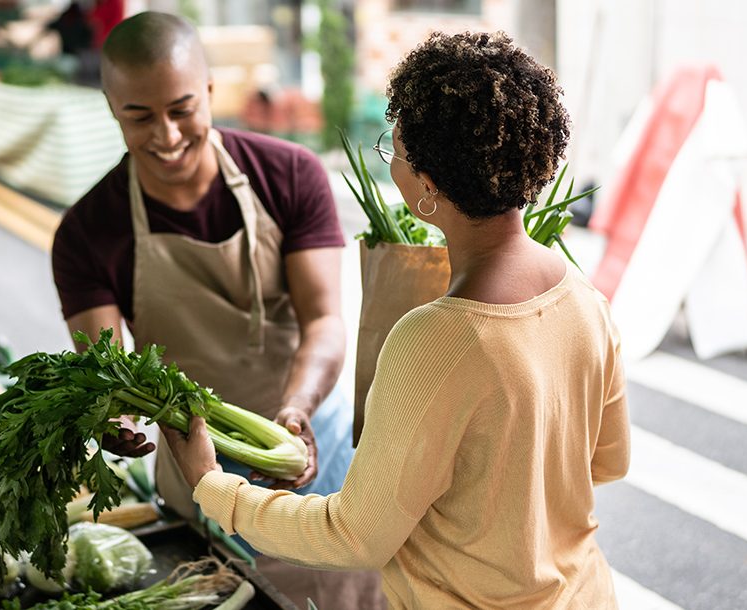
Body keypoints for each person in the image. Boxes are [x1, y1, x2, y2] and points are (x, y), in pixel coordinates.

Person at [163, 31, 632, 609]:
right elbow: (609, 460)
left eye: (397, 148)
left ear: (428, 188)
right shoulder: (583, 298)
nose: (392, 159)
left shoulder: (435, 339)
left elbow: (353, 534)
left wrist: (213, 486)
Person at [51, 11, 383, 609]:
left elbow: (326, 322)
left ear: (209, 91)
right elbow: (106, 368)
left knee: (338, 593)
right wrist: (116, 422)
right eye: (140, 116)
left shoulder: (290, 175)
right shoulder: (86, 231)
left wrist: (296, 409)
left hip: (311, 443)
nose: (168, 135)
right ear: (110, 106)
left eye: (182, 109)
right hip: (194, 464)